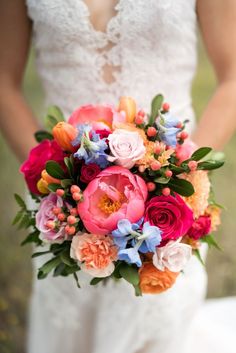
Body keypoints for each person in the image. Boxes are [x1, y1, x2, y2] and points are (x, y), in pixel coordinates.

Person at [0, 1, 235, 353]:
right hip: (67, 201)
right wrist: (54, 182)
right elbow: (4, 80)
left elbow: (232, 76)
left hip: (166, 192)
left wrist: (180, 181)